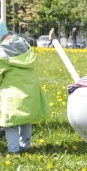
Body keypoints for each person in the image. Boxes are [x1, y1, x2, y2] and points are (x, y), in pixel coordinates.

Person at [0, 19, 50, 153]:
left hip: (12, 97)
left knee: (11, 125)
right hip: (30, 94)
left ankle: (14, 150)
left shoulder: (2, 54)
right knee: (25, 121)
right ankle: (26, 146)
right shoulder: (25, 46)